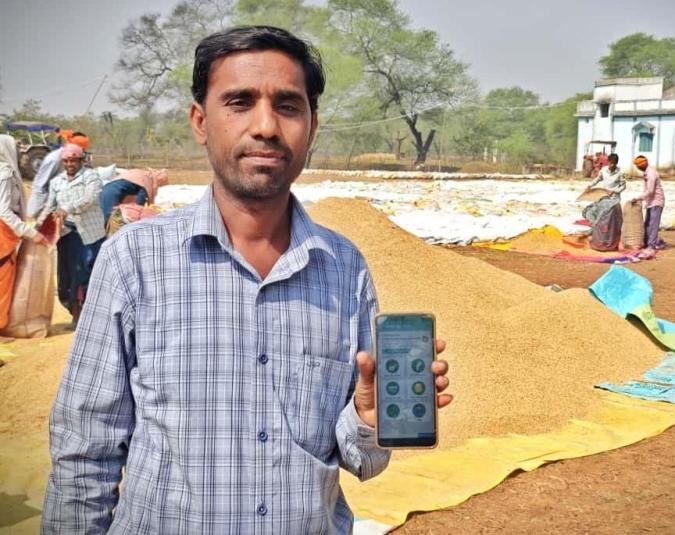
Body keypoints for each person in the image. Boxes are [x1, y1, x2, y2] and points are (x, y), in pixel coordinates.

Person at [42, 26, 452, 534]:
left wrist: (368, 420)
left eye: (288, 106)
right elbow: (85, 450)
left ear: (312, 125)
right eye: (240, 102)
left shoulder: (344, 268)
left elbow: (361, 461)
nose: (266, 126)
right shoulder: (134, 260)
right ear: (200, 122)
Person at [36, 143, 105, 327]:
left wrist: (67, 209)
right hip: (66, 233)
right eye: (66, 161)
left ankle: (85, 314)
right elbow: (50, 206)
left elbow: (90, 199)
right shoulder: (56, 182)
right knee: (67, 273)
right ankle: (74, 310)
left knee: (85, 273)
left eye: (73, 161)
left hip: (89, 234)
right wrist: (38, 225)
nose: (69, 164)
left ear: (81, 160)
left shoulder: (91, 177)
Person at [0, 135, 49, 330]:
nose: (20, 154)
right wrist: (29, 232)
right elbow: (3, 211)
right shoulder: (5, 174)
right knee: (2, 280)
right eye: (16, 149)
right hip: (3, 233)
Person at [27, 131, 91, 218]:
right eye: (82, 150)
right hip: (45, 203)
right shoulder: (54, 159)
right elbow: (40, 186)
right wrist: (37, 211)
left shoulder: (72, 159)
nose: (83, 152)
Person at [582, 153, 626, 251]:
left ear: (616, 163)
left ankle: (610, 243)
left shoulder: (620, 173)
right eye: (610, 163)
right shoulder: (604, 170)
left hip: (614, 200)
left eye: (613, 164)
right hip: (604, 197)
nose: (611, 166)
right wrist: (590, 186)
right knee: (594, 214)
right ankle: (598, 240)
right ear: (608, 162)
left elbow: (623, 186)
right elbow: (597, 179)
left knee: (610, 221)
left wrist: (614, 191)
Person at [99, 167, 168, 223]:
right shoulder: (146, 181)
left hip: (107, 189)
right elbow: (138, 207)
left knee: (112, 219)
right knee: (112, 221)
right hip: (112, 193)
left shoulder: (141, 173)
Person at [633, 155, 666, 252]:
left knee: (653, 225)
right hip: (650, 202)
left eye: (638, 166)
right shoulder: (647, 172)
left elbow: (650, 191)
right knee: (647, 224)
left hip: (656, 201)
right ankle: (647, 243)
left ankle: (651, 245)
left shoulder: (651, 174)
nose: (637, 168)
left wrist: (638, 198)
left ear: (642, 165)